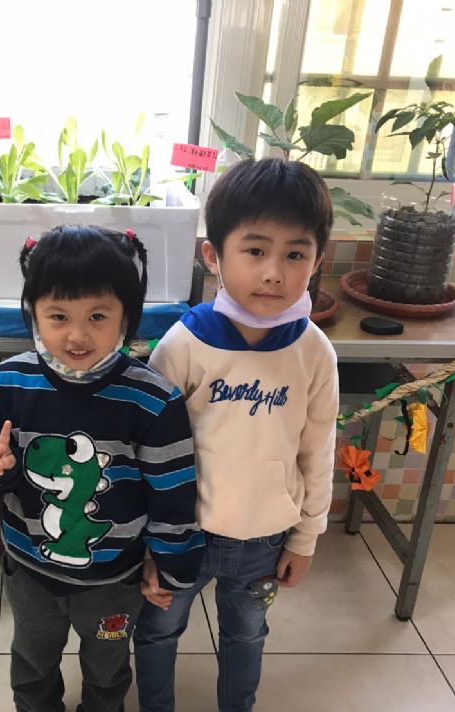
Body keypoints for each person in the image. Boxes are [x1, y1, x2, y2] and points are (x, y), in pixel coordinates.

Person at [134, 158, 340, 712]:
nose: (274, 272)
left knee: (247, 635)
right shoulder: (182, 345)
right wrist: (149, 542)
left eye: (294, 254)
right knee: (156, 631)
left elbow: (317, 451)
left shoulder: (314, 352)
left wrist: (305, 538)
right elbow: (148, 453)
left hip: (264, 541)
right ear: (213, 255)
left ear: (317, 260)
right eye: (255, 250)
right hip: (183, 535)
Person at [0, 224, 204, 712]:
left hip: (114, 581)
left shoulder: (153, 399)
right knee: (32, 665)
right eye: (58, 316)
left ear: (126, 316)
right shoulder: (10, 381)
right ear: (34, 313)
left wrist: (172, 566)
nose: (77, 335)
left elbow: (172, 494)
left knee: (107, 672)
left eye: (97, 316)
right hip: (30, 570)